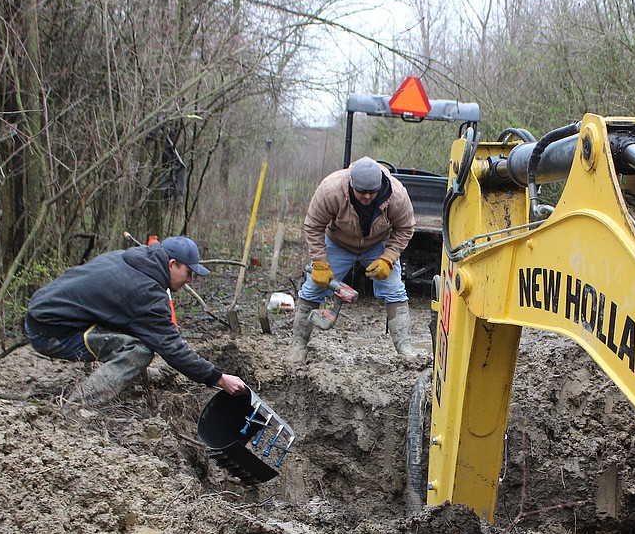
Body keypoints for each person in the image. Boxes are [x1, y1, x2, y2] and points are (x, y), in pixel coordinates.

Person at [25, 236, 248, 408]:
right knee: (138, 351)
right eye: (188, 272)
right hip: (51, 332)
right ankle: (76, 409)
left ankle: (110, 388)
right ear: (171, 264)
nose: (190, 280)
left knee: (136, 335)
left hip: (42, 313)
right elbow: (173, 349)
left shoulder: (128, 259)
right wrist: (218, 379)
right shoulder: (148, 293)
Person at [291, 156, 418, 360]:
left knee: (395, 290)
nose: (367, 197)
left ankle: (405, 349)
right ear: (351, 184)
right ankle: (298, 346)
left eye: (372, 192)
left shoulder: (397, 195)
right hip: (338, 242)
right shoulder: (330, 190)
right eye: (362, 192)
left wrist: (389, 257)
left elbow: (406, 227)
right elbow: (313, 225)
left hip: (377, 244)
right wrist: (320, 263)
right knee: (313, 288)